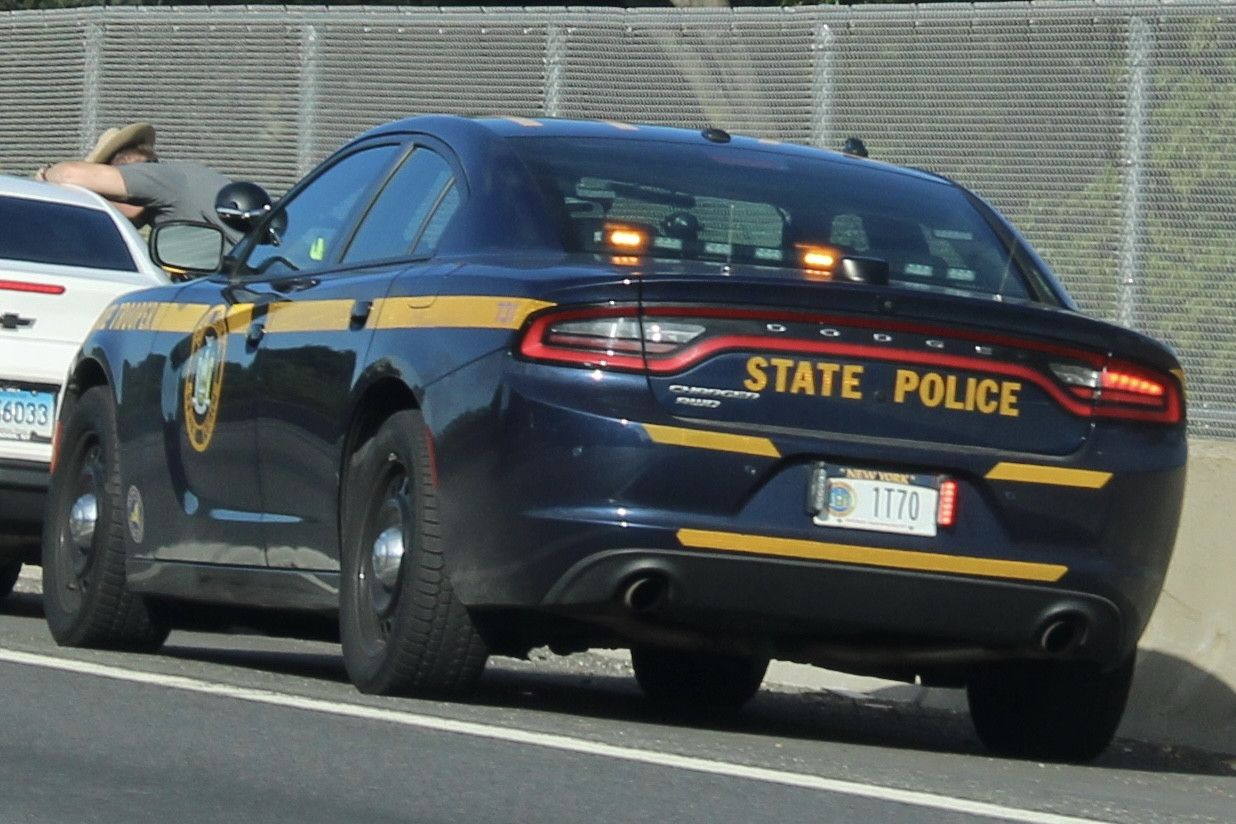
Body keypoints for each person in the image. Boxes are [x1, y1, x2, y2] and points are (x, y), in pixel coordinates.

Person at [35, 122, 242, 246]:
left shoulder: (162, 181)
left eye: (108, 194)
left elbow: (71, 175)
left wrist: (45, 175)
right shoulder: (175, 187)